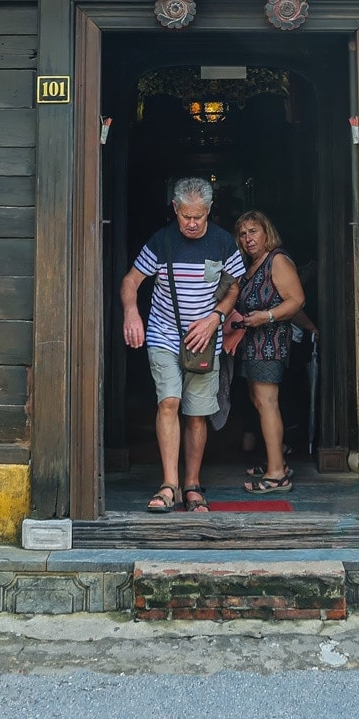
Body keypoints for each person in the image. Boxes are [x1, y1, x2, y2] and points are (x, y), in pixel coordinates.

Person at [121, 178, 244, 513]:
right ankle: (168, 485)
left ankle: (192, 485)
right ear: (175, 209)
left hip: (204, 341)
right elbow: (131, 280)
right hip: (164, 334)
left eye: (199, 217)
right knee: (169, 402)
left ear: (209, 212)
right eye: (186, 216)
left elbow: (234, 286)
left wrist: (215, 319)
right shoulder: (162, 241)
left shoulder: (222, 243)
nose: (192, 223)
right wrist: (132, 313)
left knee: (196, 414)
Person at [229, 210, 306, 494]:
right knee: (259, 401)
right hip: (252, 343)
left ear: (266, 233)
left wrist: (268, 316)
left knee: (267, 402)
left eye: (254, 231)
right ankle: (278, 462)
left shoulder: (278, 260)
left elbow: (297, 300)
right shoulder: (253, 265)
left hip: (269, 341)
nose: (248, 238)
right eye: (243, 233)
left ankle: (277, 475)